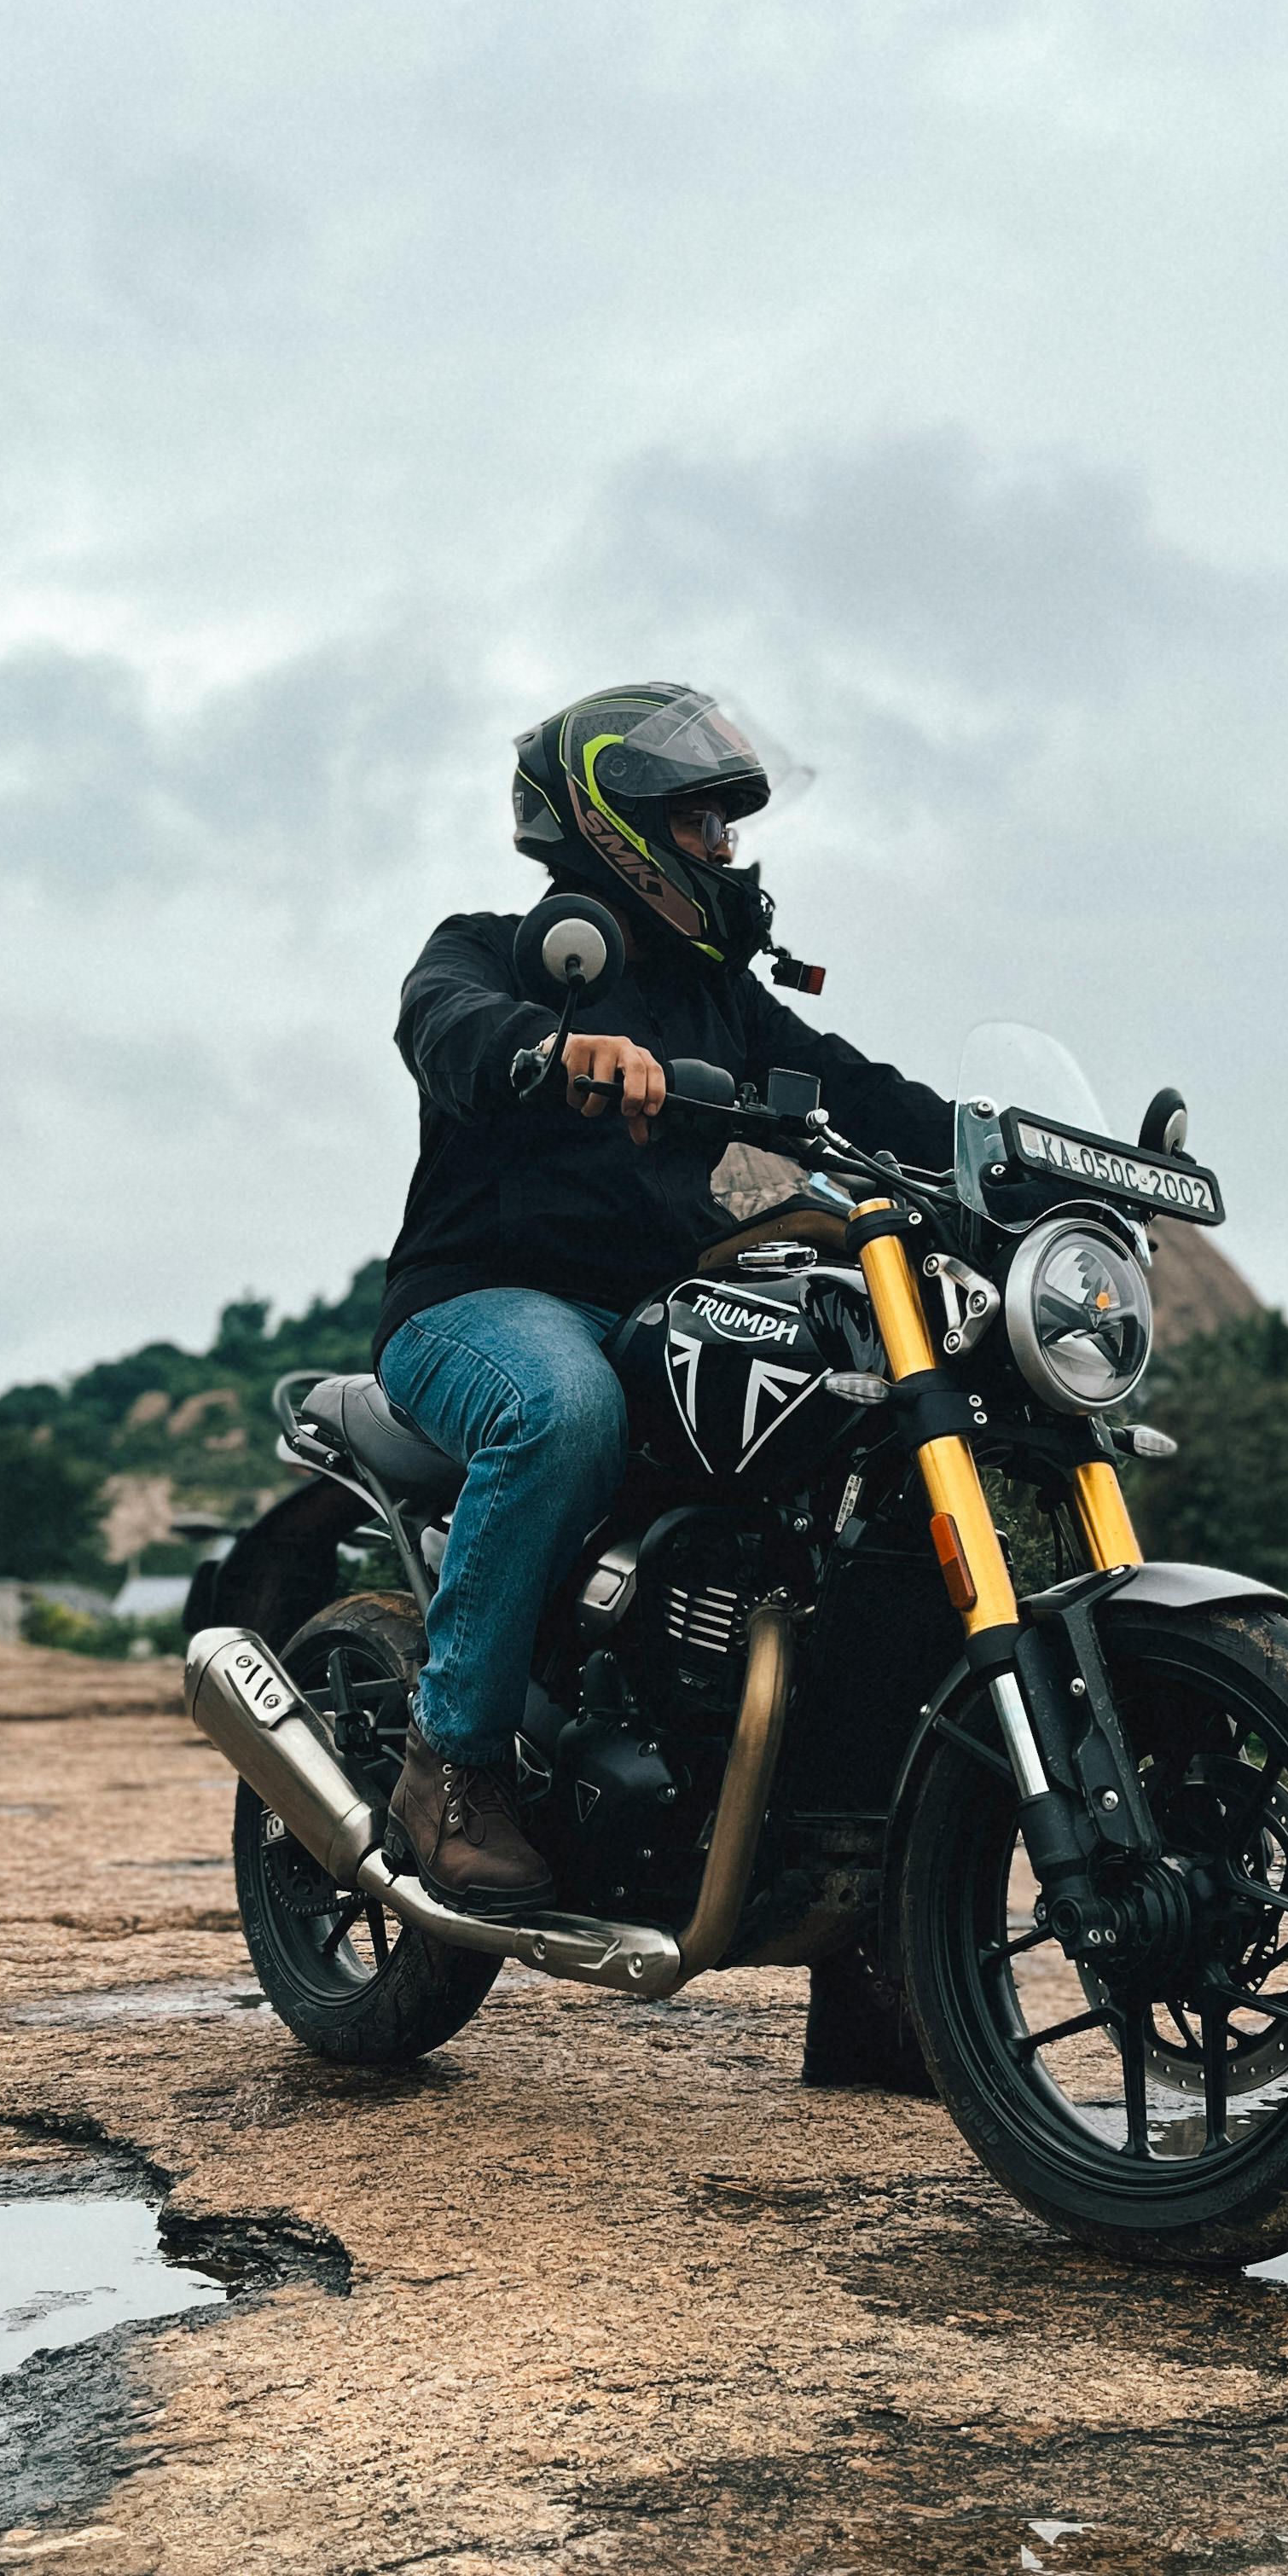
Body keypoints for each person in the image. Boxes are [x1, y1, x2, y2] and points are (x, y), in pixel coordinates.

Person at [372, 681, 951, 1913]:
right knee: (566, 1407)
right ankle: (452, 1764)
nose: (728, 856)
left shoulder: (719, 1003)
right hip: (478, 1310)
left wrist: (1010, 1147)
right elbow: (447, 1026)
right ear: (613, 825)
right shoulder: (488, 948)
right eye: (702, 827)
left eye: (730, 830)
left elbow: (867, 1090)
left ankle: (855, 1883)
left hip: (655, 1314)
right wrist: (549, 1047)